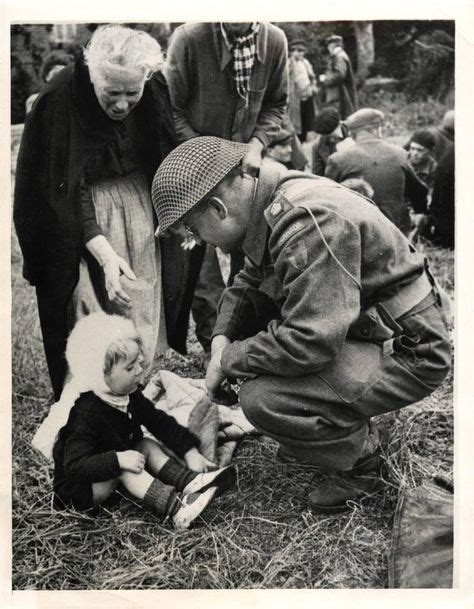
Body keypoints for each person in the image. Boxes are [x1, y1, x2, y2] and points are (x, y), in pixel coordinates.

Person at [151, 136, 451, 513]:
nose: (201, 243)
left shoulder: (306, 222)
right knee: (262, 357)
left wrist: (231, 360)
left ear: (217, 207)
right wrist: (219, 343)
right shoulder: (271, 198)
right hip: (376, 328)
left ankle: (361, 462)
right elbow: (249, 282)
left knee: (263, 399)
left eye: (194, 232)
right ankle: (336, 424)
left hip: (411, 350)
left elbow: (309, 341)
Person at [14, 25, 192, 401]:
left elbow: (163, 151)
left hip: (137, 200)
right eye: (112, 93)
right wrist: (104, 251)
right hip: (77, 214)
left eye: (133, 93)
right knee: (85, 300)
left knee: (137, 295)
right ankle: (86, 390)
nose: (123, 104)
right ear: (93, 77)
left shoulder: (155, 87)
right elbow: (62, 187)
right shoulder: (59, 100)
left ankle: (132, 381)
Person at [165, 21, 288, 360]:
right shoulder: (190, 38)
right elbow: (170, 108)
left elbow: (276, 104)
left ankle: (245, 339)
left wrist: (256, 145)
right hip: (193, 164)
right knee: (199, 255)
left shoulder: (274, 40)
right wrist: (205, 155)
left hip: (244, 167)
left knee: (251, 253)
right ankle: (213, 345)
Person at [53, 312, 236, 529]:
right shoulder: (86, 413)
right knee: (125, 466)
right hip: (80, 491)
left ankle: (190, 481)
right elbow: (74, 466)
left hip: (110, 471)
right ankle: (177, 510)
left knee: (146, 445)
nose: (140, 370)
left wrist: (189, 451)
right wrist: (117, 460)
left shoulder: (129, 395)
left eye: (138, 361)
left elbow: (159, 422)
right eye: (130, 367)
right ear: (101, 376)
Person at [325, 108, 428, 235]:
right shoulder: (400, 154)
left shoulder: (338, 159)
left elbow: (327, 198)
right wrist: (419, 211)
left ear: (352, 133)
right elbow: (419, 190)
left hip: (357, 231)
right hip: (396, 231)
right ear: (376, 130)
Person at [319, 35, 357, 119]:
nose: (328, 48)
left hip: (340, 95)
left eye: (328, 45)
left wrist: (325, 79)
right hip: (338, 94)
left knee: (338, 118)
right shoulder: (339, 56)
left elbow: (340, 75)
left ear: (333, 45)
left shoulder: (339, 57)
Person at [287, 38, 318, 142]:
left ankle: (305, 142)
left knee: (308, 124)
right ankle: (297, 143)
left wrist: (313, 87)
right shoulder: (289, 63)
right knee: (296, 124)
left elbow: (312, 77)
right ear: (292, 51)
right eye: (297, 51)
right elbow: (284, 78)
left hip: (307, 96)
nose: (300, 54)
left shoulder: (305, 63)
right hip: (295, 98)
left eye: (302, 51)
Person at [25, 50, 73, 114]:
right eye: (55, 74)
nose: (59, 79)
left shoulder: (72, 101)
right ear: (46, 76)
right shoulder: (34, 100)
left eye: (63, 75)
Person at [310, 107, 353, 175]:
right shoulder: (318, 147)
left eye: (333, 137)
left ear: (339, 124)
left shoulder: (356, 133)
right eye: (327, 138)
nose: (332, 140)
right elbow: (317, 175)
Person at [406, 128, 437, 193]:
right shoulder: (402, 159)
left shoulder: (433, 169)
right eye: (412, 148)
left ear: (430, 151)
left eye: (420, 150)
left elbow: (431, 193)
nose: (414, 153)